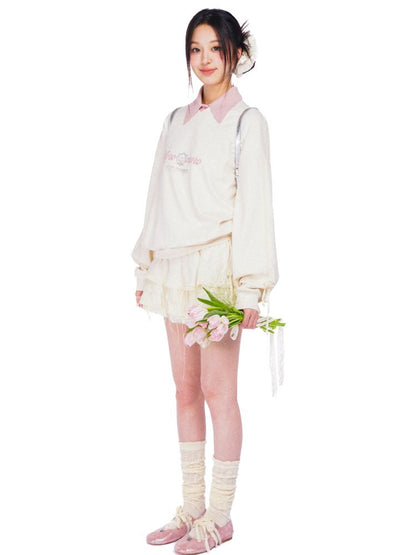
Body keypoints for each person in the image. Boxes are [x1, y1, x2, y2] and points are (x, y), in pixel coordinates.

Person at [131, 8, 279, 554]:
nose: (205, 60)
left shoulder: (246, 123)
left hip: (217, 272)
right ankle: (191, 506)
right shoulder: (176, 119)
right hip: (174, 270)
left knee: (220, 392)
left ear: (236, 52)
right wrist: (147, 263)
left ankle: (220, 515)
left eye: (215, 48)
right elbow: (158, 195)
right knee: (185, 389)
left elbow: (254, 209)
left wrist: (251, 288)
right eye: (196, 49)